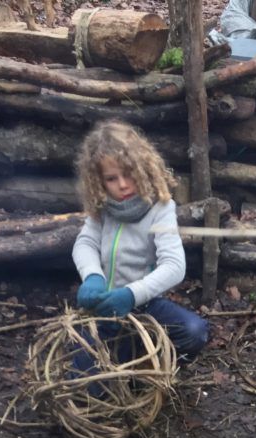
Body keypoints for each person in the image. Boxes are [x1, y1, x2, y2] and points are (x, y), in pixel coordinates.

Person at [71, 120, 209, 388]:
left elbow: (174, 265)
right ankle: (122, 359)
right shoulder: (103, 208)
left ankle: (146, 362)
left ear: (143, 168)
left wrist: (132, 294)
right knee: (86, 389)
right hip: (104, 307)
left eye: (128, 173)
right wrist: (92, 277)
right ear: (99, 181)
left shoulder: (160, 207)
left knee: (194, 331)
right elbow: (85, 243)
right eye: (111, 179)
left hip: (145, 305)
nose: (122, 185)